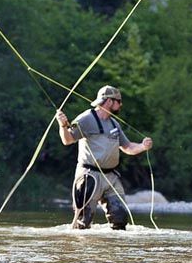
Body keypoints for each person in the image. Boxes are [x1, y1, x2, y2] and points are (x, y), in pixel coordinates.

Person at [55, 85, 153, 230]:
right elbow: (67, 140)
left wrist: (143, 146)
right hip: (89, 176)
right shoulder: (86, 119)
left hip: (111, 178)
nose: (121, 104)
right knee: (83, 223)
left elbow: (128, 147)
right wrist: (62, 125)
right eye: (118, 101)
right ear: (108, 101)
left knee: (120, 220)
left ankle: (111, 251)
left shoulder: (114, 124)